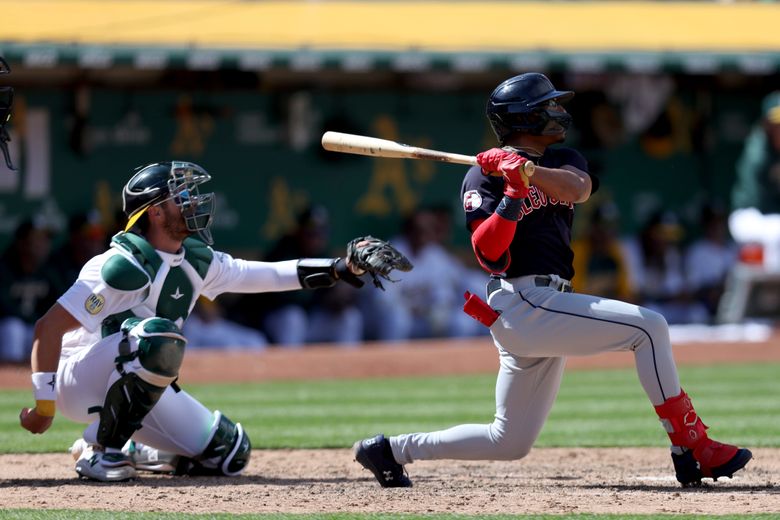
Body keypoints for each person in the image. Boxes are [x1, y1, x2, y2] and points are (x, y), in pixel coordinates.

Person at [353, 72, 752, 489]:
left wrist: (526, 171)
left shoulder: (564, 160)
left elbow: (577, 189)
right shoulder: (480, 178)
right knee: (649, 328)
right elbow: (489, 253)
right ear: (524, 118)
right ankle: (692, 447)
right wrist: (511, 192)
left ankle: (389, 449)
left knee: (508, 440)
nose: (558, 112)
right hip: (522, 303)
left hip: (547, 304)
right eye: (547, 107)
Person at [18, 161, 409, 482]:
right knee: (157, 337)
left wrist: (341, 267)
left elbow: (266, 275)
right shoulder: (119, 265)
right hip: (80, 378)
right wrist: (44, 408)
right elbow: (47, 330)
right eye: (180, 197)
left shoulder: (195, 260)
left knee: (229, 453)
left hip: (137, 373)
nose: (193, 202)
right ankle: (103, 453)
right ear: (155, 211)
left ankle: (131, 446)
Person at [729, 91, 780, 271]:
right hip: (748, 216)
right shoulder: (758, 152)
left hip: (770, 219)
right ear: (767, 124)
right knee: (776, 231)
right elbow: (760, 202)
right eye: (776, 125)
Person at [0, 218, 60, 363]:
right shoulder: (5, 268)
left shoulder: (49, 270)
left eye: (46, 240)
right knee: (13, 329)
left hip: (33, 326)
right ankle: (9, 380)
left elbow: (60, 300)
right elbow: (4, 306)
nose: (43, 245)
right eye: (37, 239)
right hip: (8, 329)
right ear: (22, 243)